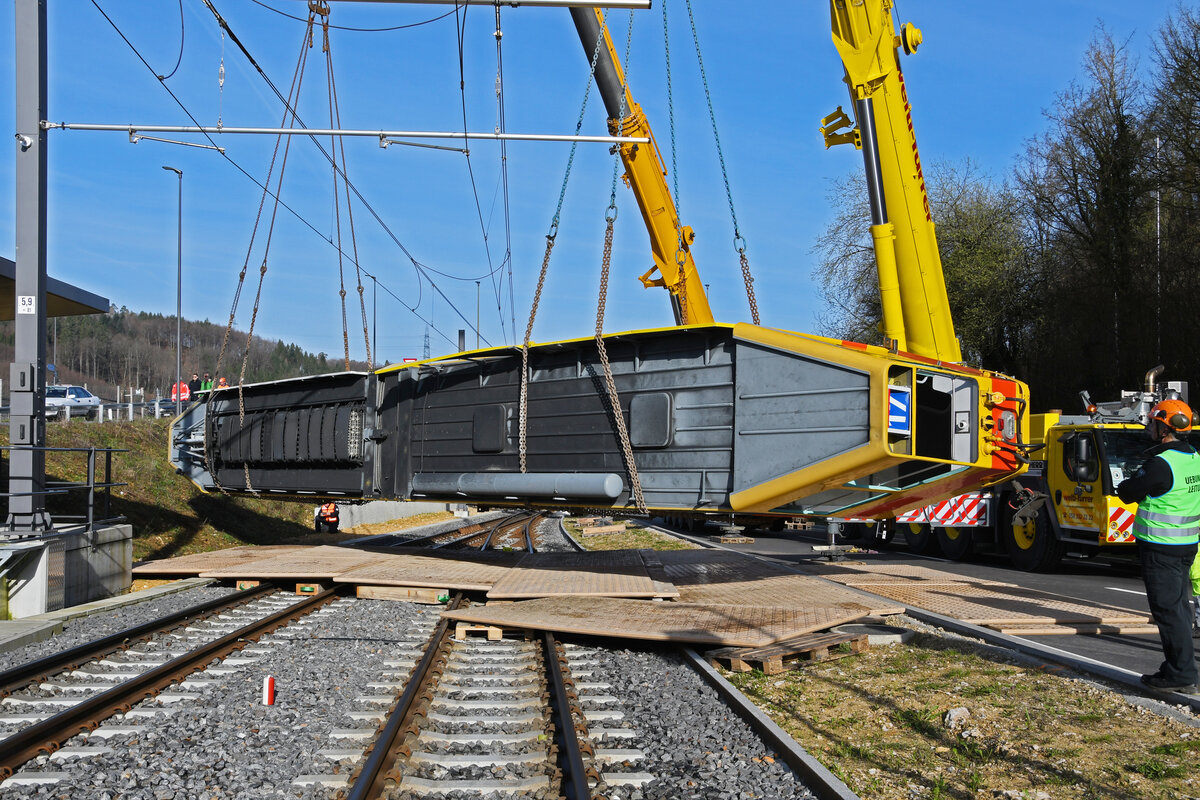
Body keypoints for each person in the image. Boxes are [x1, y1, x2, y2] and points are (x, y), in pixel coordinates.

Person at [1116, 399, 1200, 692]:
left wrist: (1129, 482)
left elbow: (1127, 492)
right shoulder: (1194, 457)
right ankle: (1176, 665)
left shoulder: (1160, 464)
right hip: (1186, 544)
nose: (1150, 427)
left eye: (1152, 422)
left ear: (1164, 427)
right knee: (1177, 608)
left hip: (1161, 546)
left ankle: (1182, 675)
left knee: (1168, 611)